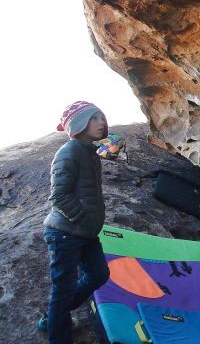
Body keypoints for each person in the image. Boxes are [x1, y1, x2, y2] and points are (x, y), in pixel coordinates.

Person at [40, 101, 111, 344]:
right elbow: (59, 196)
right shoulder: (68, 152)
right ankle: (57, 333)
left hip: (86, 233)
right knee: (63, 289)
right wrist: (83, 218)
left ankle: (53, 315)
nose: (101, 122)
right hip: (65, 232)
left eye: (101, 117)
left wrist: (115, 151)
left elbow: (111, 159)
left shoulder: (91, 150)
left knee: (99, 275)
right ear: (78, 124)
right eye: (94, 118)